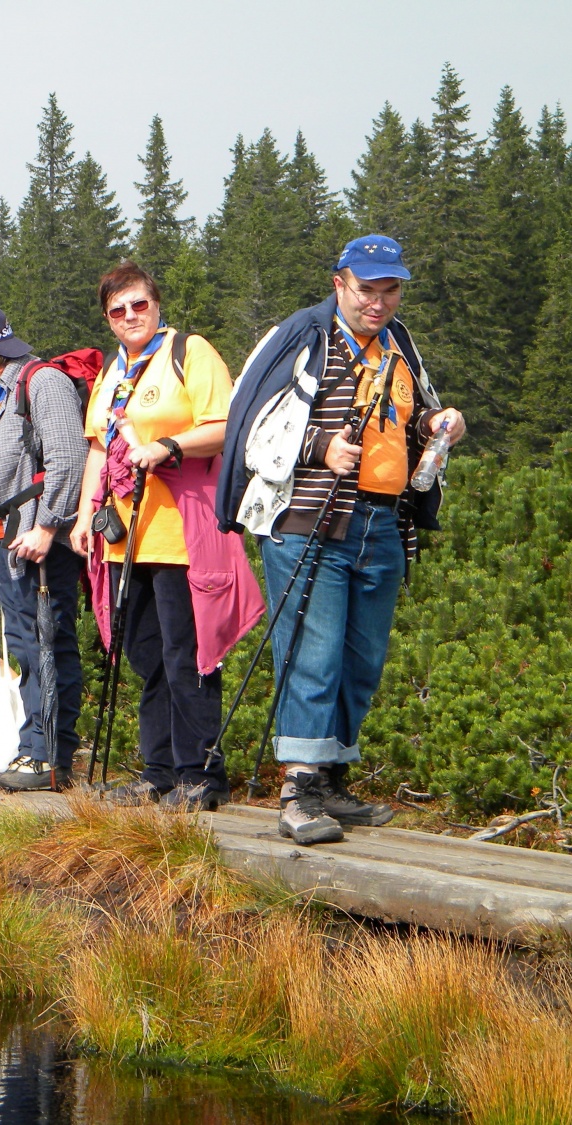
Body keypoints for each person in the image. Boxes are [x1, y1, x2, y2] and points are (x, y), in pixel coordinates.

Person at [218, 234, 468, 845]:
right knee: (313, 652)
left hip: (383, 521)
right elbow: (247, 422)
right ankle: (298, 791)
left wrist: (438, 421)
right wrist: (319, 447)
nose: (377, 302)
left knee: (361, 658)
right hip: (307, 521)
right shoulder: (303, 335)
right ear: (340, 283)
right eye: (366, 290)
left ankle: (331, 779)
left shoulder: (398, 342)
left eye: (390, 290)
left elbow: (413, 414)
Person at [72, 262, 264, 811]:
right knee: (146, 657)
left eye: (139, 304)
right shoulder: (113, 370)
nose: (130, 315)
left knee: (188, 655)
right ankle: (158, 771)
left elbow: (225, 426)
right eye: (118, 310)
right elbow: (98, 448)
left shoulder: (189, 352)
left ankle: (201, 775)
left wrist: (167, 447)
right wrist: (85, 516)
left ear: (157, 304)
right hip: (125, 537)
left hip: (182, 532)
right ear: (107, 319)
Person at [0, 303, 86, 790]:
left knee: (46, 645)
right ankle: (34, 749)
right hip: (6, 540)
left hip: (39, 541)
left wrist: (48, 527)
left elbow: (69, 457)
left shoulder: (42, 382)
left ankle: (48, 757)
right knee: (27, 647)